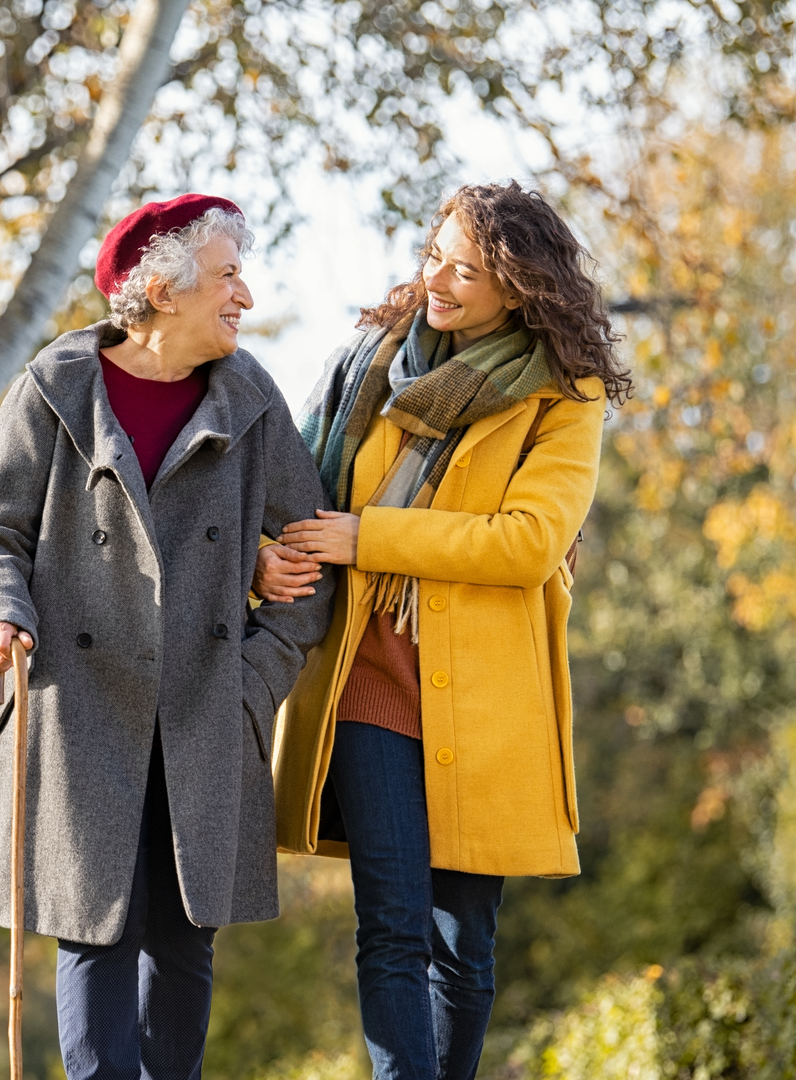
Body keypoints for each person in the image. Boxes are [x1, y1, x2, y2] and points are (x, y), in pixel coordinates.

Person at [0, 194, 336, 1079]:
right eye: (227, 275)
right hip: (76, 708)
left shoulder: (252, 400)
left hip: (205, 709)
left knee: (185, 942)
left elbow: (314, 552)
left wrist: (256, 680)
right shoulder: (56, 389)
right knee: (96, 934)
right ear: (161, 290)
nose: (244, 294)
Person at [254, 180, 632, 1080]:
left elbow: (529, 543)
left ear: (520, 287)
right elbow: (299, 491)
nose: (439, 281)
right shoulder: (373, 363)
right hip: (366, 677)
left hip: (489, 697)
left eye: (466, 270)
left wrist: (370, 537)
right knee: (391, 923)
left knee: (464, 946)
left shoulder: (563, 397)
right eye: (434, 256)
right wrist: (275, 553)